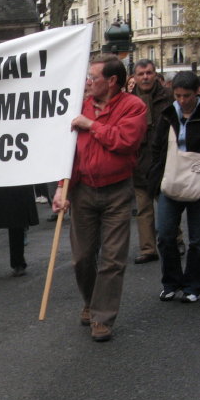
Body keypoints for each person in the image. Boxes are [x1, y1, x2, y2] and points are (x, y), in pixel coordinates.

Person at [52, 54, 147, 342]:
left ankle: (102, 318)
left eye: (93, 78)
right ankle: (91, 302)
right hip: (82, 191)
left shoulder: (134, 106)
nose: (88, 82)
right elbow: (68, 153)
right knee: (81, 258)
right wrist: (61, 187)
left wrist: (91, 126)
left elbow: (126, 142)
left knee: (112, 259)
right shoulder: (80, 107)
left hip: (117, 190)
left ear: (112, 81)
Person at [148, 71, 200, 303]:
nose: (182, 101)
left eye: (187, 96)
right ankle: (171, 282)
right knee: (165, 235)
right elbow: (157, 148)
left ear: (197, 92)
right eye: (178, 96)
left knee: (198, 240)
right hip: (171, 181)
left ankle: (194, 285)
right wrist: (156, 178)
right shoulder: (168, 114)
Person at [130, 59, 172, 264]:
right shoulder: (128, 100)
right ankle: (148, 248)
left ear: (155, 74)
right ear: (135, 77)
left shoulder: (168, 97)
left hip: (164, 159)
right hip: (138, 162)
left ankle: (175, 240)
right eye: (141, 74)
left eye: (149, 72)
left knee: (167, 204)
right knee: (143, 208)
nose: (145, 77)